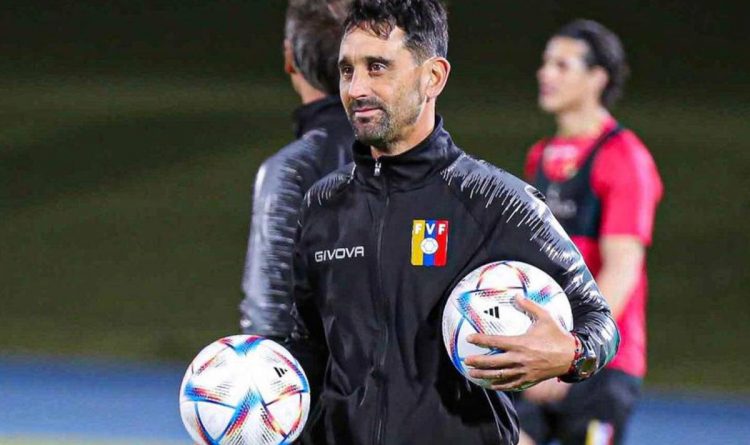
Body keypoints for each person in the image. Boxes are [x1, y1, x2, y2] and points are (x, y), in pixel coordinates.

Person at [287, 2, 620, 444]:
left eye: (377, 67)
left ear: (433, 77)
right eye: (347, 70)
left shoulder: (496, 201)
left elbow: (599, 323)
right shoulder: (323, 205)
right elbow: (309, 345)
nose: (356, 88)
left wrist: (571, 353)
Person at [515, 19, 663, 445]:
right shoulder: (541, 157)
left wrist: (572, 352)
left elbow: (622, 270)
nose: (545, 73)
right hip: (545, 354)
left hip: (602, 361)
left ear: (597, 78)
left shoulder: (624, 156)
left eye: (562, 65)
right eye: (545, 63)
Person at [239, 0, 353, 421]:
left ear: (290, 57)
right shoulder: (417, 155)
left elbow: (269, 324)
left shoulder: (292, 169)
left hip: (319, 412)